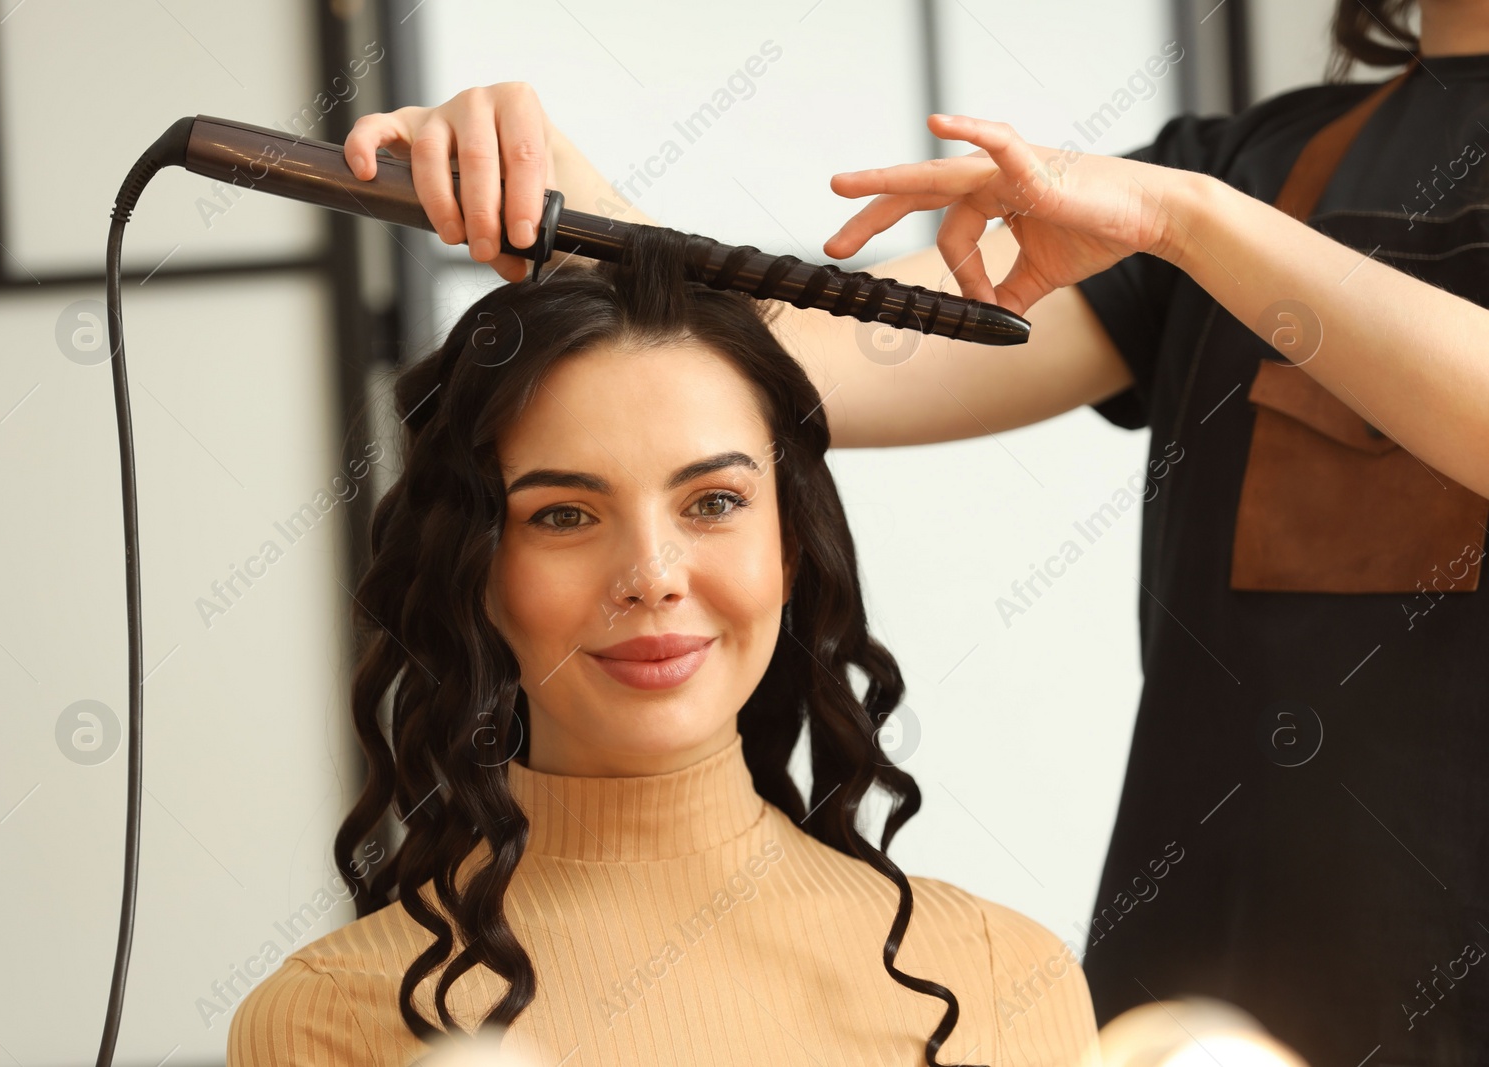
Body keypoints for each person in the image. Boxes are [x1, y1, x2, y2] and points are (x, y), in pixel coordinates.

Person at [337, 1, 1489, 1063]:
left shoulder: (1198, 207)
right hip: (1198, 1020)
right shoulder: (1254, 170)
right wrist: (570, 204)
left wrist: (1187, 223)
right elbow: (795, 371)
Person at [227, 225, 1101, 1066]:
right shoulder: (327, 1018)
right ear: (478, 572)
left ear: (790, 545)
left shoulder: (1000, 975)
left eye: (714, 502)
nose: (651, 575)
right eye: (563, 514)